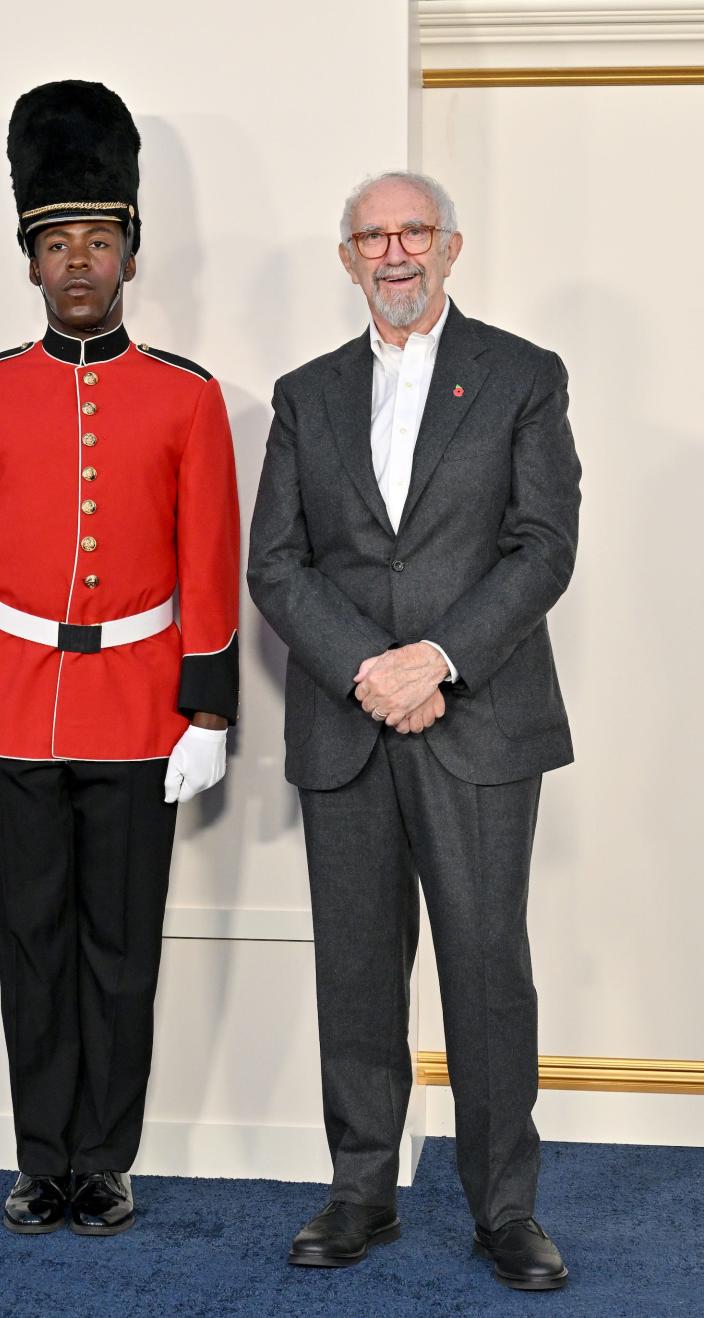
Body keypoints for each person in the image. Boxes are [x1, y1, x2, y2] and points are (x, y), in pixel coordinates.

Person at [0, 80, 240, 1237]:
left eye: (101, 240)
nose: (80, 262)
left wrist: (208, 715)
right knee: (31, 950)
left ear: (132, 256)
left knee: (121, 953)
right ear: (32, 262)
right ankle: (37, 1155)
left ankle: (104, 1158)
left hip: (140, 709)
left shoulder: (188, 400)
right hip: (6, 706)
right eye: (59, 243)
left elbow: (210, 561)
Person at [247, 170, 580, 1290]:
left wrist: (434, 661)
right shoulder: (305, 395)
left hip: (476, 717)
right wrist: (364, 670)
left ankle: (504, 1209)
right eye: (372, 236)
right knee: (355, 968)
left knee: (488, 968)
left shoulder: (525, 377)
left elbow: (542, 545)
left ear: (452, 247)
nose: (394, 253)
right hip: (347, 728)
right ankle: (360, 1191)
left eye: (414, 233)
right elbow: (277, 564)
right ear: (348, 258)